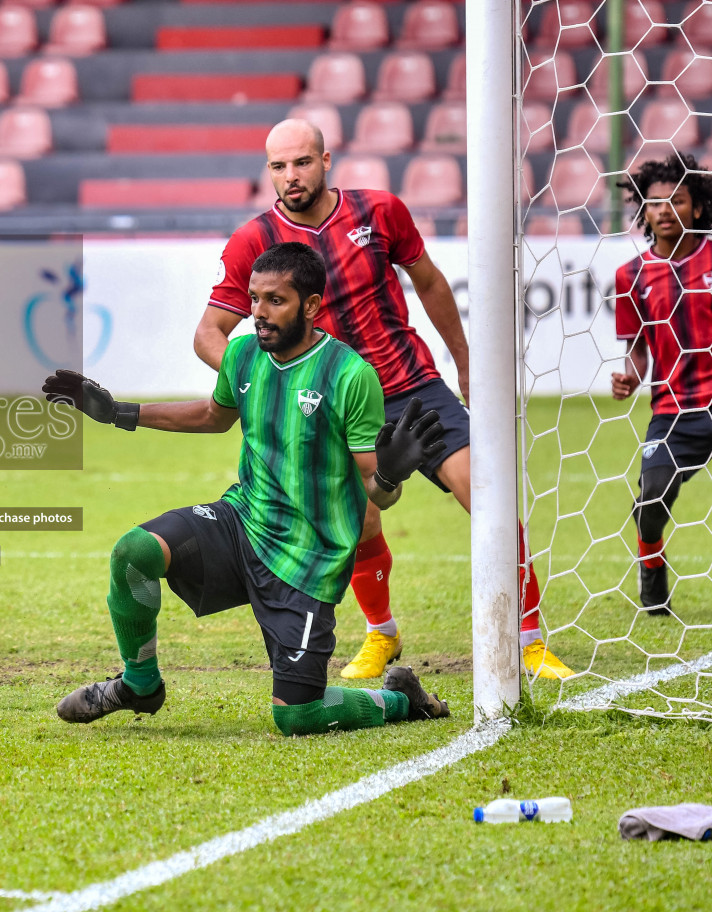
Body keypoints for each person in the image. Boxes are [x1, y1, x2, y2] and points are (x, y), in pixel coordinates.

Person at [194, 118, 574, 680]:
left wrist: (465, 360)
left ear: (326, 162)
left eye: (301, 163)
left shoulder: (379, 211)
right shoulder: (255, 239)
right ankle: (382, 635)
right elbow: (208, 333)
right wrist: (266, 377)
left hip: (412, 386)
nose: (290, 176)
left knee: (487, 494)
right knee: (362, 521)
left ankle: (530, 638)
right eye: (278, 166)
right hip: (336, 407)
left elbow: (431, 283)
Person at [48, 243, 452, 734]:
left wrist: (391, 474)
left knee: (297, 717)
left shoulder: (350, 375)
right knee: (134, 552)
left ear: (310, 305)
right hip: (242, 522)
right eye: (254, 299)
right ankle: (139, 684)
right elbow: (213, 416)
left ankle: (400, 699)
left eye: (274, 301)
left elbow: (377, 492)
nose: (258, 314)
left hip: (308, 558)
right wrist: (119, 412)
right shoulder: (243, 354)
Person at [612, 152, 712, 616]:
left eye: (677, 200)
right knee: (650, 499)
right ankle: (652, 565)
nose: (666, 209)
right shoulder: (631, 276)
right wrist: (631, 374)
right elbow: (636, 346)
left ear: (696, 207)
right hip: (674, 410)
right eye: (656, 203)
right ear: (644, 212)